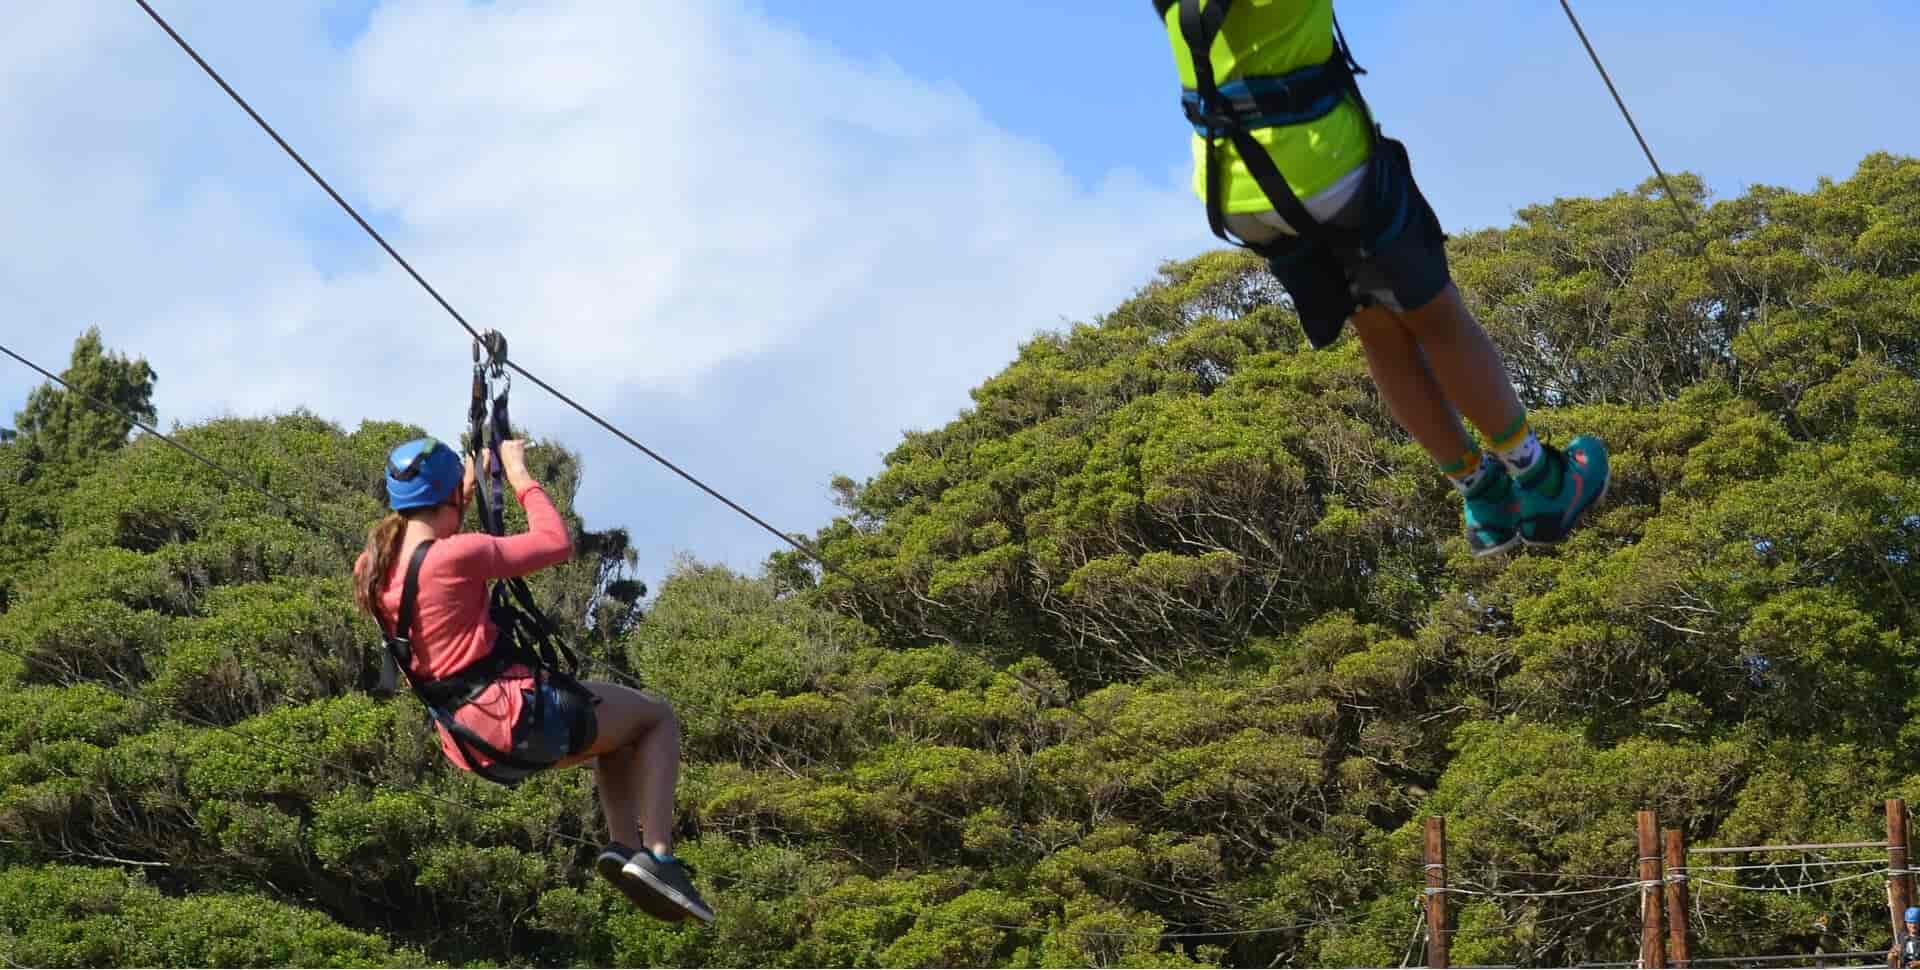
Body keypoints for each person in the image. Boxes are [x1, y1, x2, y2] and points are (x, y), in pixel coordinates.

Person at [1154, 0, 1609, 554]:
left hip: (1232, 188)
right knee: (1436, 318)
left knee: (1375, 326)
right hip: (1322, 168)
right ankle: (1541, 479)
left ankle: (1481, 493)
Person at [352, 436, 712, 924]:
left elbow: (438, 562)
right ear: (450, 499)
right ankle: (660, 855)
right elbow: (554, 543)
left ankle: (624, 849)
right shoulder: (455, 556)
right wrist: (518, 474)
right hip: (513, 715)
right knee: (655, 718)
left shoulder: (374, 567)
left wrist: (461, 487)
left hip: (466, 739)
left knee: (615, 736)